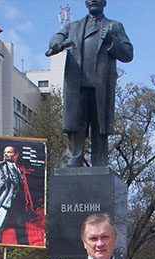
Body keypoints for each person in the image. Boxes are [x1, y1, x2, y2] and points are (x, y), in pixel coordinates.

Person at [46, 0, 133, 167]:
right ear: (86, 3)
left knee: (100, 125)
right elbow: (58, 37)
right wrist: (56, 44)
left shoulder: (114, 26)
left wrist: (112, 40)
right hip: (77, 83)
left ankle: (100, 160)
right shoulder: (73, 27)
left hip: (101, 84)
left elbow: (128, 54)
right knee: (75, 123)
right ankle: (74, 158)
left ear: (104, 2)